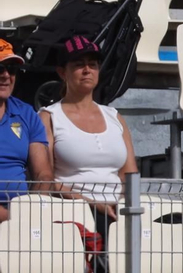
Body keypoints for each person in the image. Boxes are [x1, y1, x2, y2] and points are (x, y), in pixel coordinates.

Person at [40, 37, 136, 226]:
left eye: (93, 65)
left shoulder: (114, 117)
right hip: (72, 210)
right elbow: (45, 178)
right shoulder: (49, 117)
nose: (87, 70)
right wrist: (90, 203)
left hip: (117, 210)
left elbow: (129, 174)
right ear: (62, 72)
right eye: (79, 64)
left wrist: (123, 204)